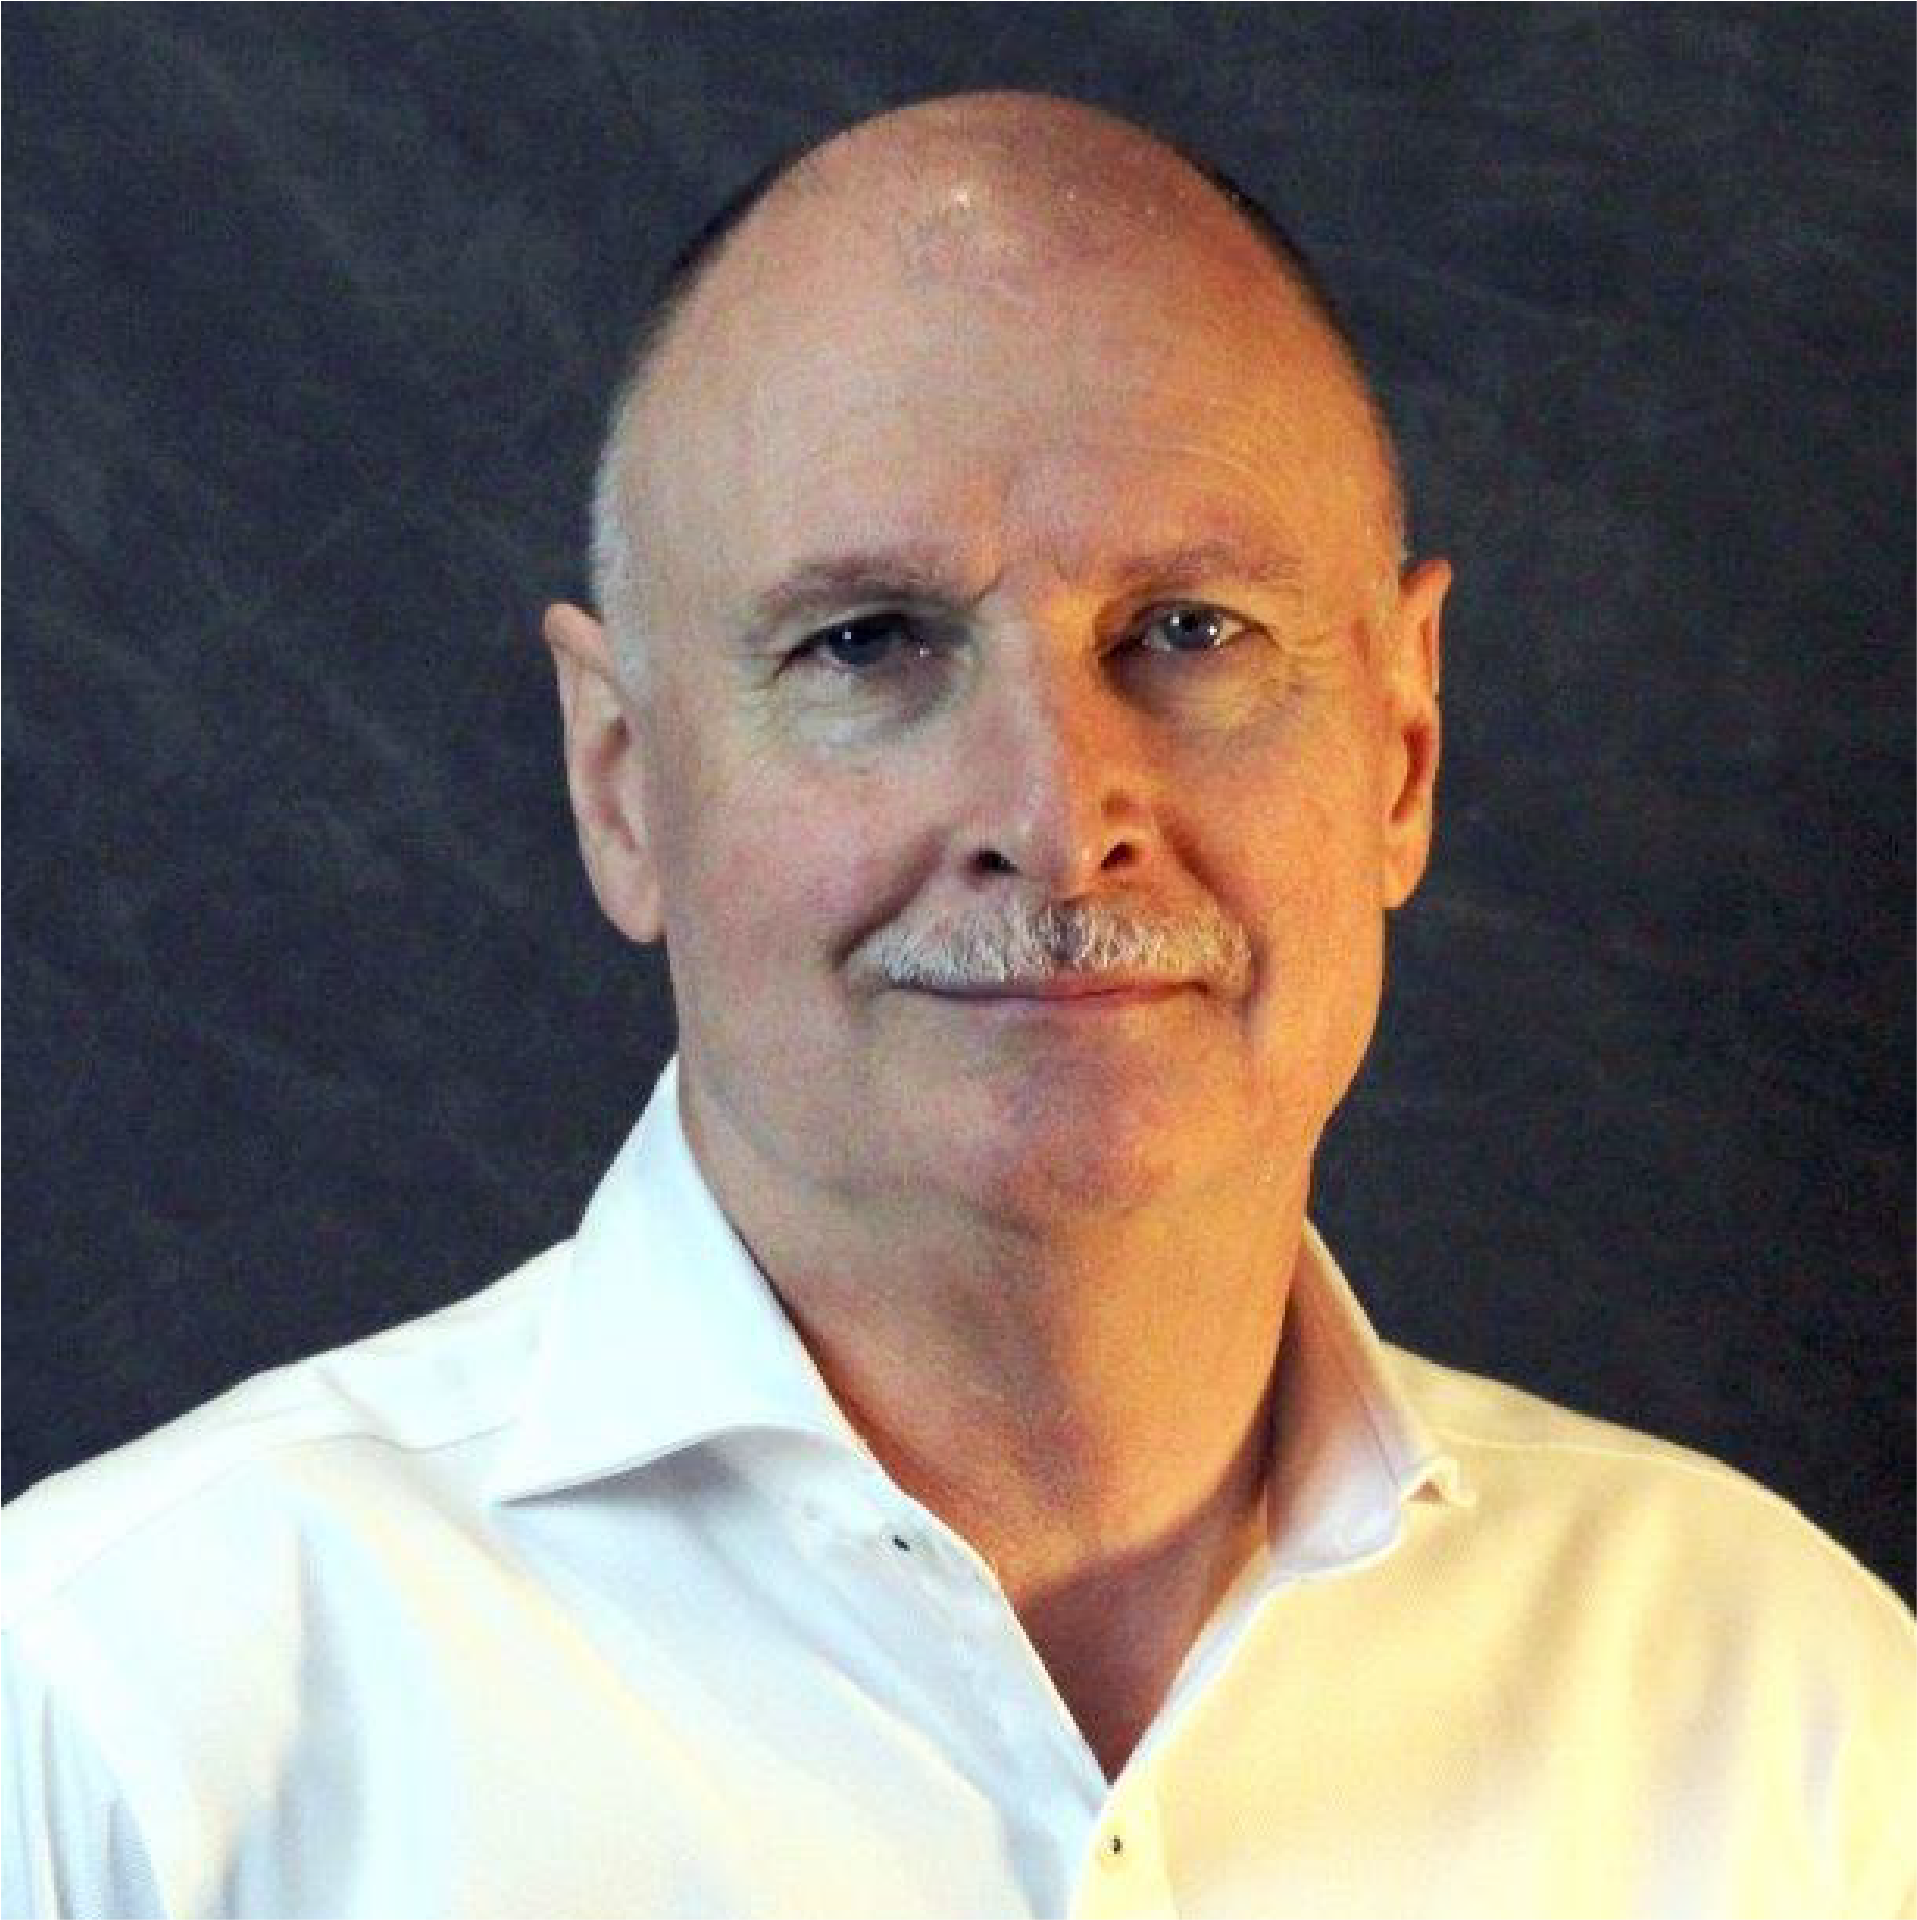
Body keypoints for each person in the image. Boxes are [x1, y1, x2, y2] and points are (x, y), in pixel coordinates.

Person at [4, 89, 1910, 1920]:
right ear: (622, 781)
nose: (1057, 818)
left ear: (1402, 746)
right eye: (868, 645)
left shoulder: (1796, 1727)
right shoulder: (111, 1724)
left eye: (1190, 632)